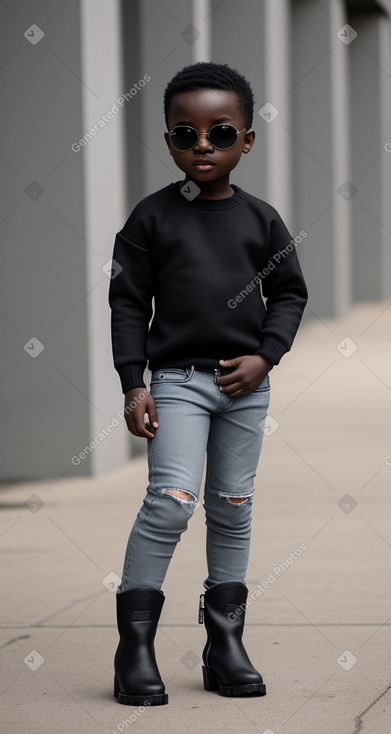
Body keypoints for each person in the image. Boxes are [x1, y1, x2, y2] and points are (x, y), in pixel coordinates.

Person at [108, 61, 308, 706]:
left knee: (232, 506)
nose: (202, 146)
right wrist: (133, 385)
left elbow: (289, 294)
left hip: (244, 388)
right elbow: (129, 306)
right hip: (176, 381)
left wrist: (267, 357)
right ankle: (133, 648)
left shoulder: (262, 221)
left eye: (220, 134)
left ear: (246, 140)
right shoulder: (150, 220)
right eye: (184, 133)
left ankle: (224, 644)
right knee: (170, 500)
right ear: (167, 138)